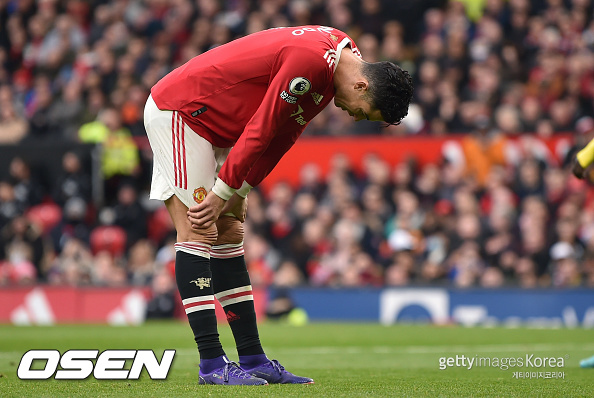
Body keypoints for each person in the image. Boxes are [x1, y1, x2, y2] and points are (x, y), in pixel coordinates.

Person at [143, 25, 413, 385]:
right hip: (182, 110)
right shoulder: (312, 61)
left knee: (230, 232)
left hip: (216, 126)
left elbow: (284, 133)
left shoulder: (334, 65)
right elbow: (262, 125)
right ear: (362, 86)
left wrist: (242, 188)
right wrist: (225, 190)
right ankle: (210, 362)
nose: (355, 117)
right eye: (364, 113)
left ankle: (252, 357)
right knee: (198, 229)